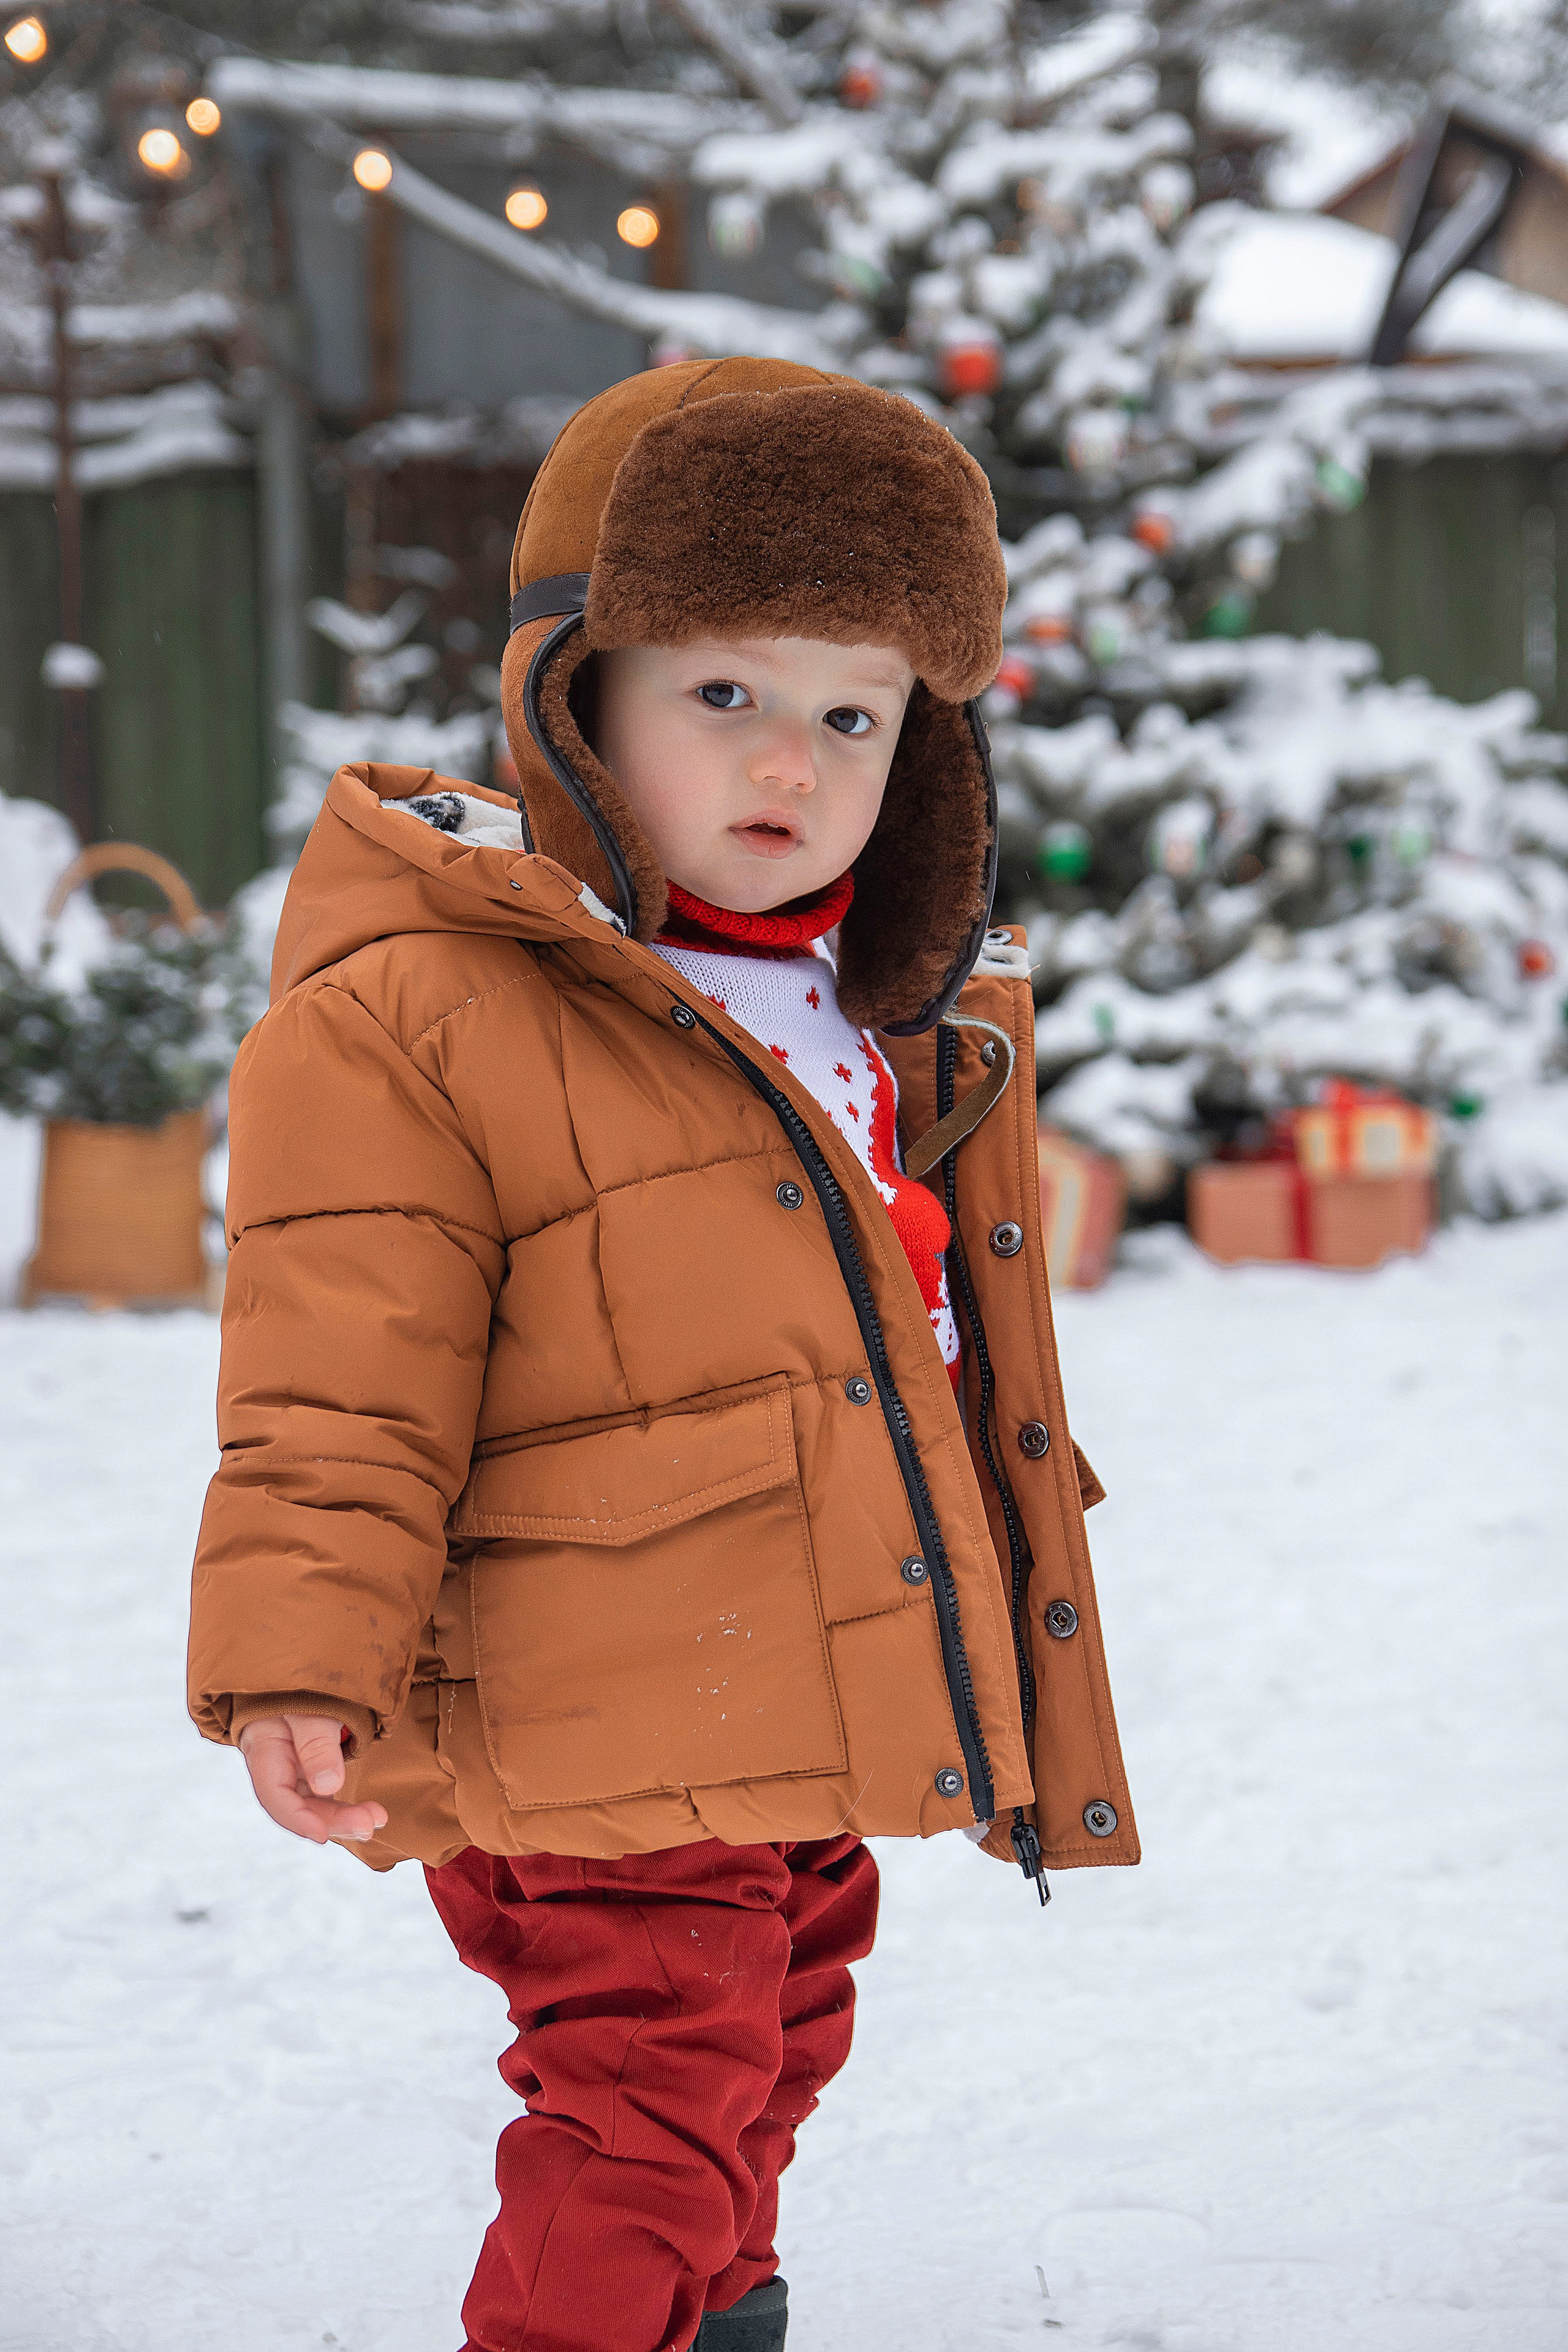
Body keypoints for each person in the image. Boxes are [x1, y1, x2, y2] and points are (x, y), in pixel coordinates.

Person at [187, 357, 1137, 2352]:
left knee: (783, 2023)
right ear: (576, 697)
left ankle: (711, 2314)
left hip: (782, 1671)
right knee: (652, 2092)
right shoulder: (424, 1010)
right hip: (593, 1708)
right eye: (727, 692)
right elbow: (337, 1371)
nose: (790, 760)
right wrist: (301, 1648)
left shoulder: (853, 1020)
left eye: (853, 714)